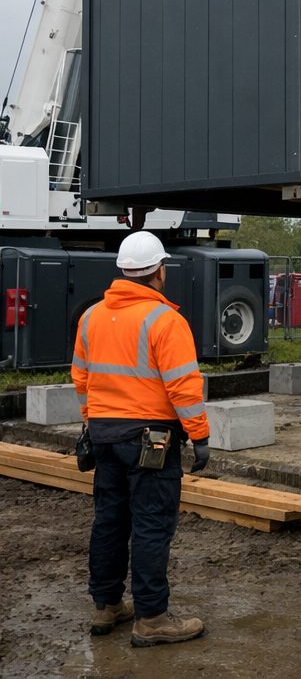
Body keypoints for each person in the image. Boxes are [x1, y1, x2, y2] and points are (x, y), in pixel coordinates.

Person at [71, 231, 210, 647]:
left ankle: (106, 605)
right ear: (159, 272)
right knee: (151, 525)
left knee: (109, 521)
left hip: (104, 434)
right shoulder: (165, 320)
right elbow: (183, 385)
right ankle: (151, 617)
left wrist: (93, 420)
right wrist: (200, 435)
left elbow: (81, 377)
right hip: (151, 440)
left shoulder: (92, 316)